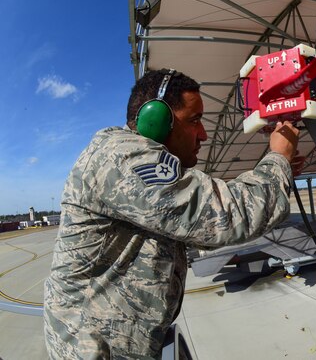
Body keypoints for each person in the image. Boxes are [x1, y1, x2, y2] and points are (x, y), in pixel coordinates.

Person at [44, 69, 302, 359]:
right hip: (95, 350)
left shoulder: (128, 160)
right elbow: (226, 217)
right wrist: (279, 157)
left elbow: (199, 231)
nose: (203, 133)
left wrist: (276, 173)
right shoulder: (121, 156)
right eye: (194, 120)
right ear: (156, 121)